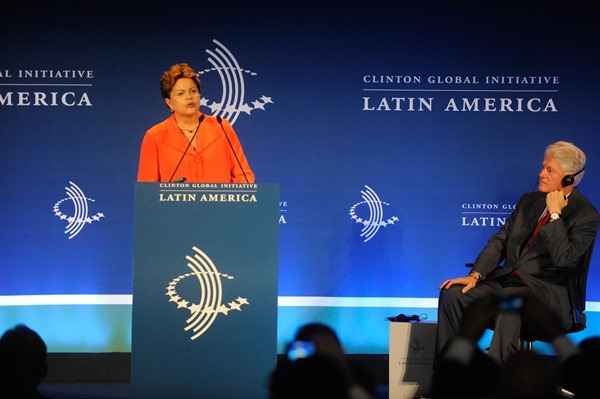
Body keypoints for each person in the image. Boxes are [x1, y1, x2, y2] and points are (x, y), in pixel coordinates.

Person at [436, 141, 600, 364]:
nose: (541, 174)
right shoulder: (528, 201)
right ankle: (450, 375)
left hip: (549, 298)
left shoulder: (585, 215)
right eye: (543, 167)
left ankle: (499, 381)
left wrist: (555, 215)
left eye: (549, 170)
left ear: (569, 178)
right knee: (453, 295)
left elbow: (565, 260)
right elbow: (500, 240)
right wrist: (476, 275)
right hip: (508, 282)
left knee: (511, 303)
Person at [137, 63, 255, 183]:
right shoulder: (154, 136)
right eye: (180, 93)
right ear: (169, 103)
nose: (189, 97)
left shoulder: (221, 127)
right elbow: (147, 191)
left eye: (193, 91)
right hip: (175, 203)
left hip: (222, 202)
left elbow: (244, 176)